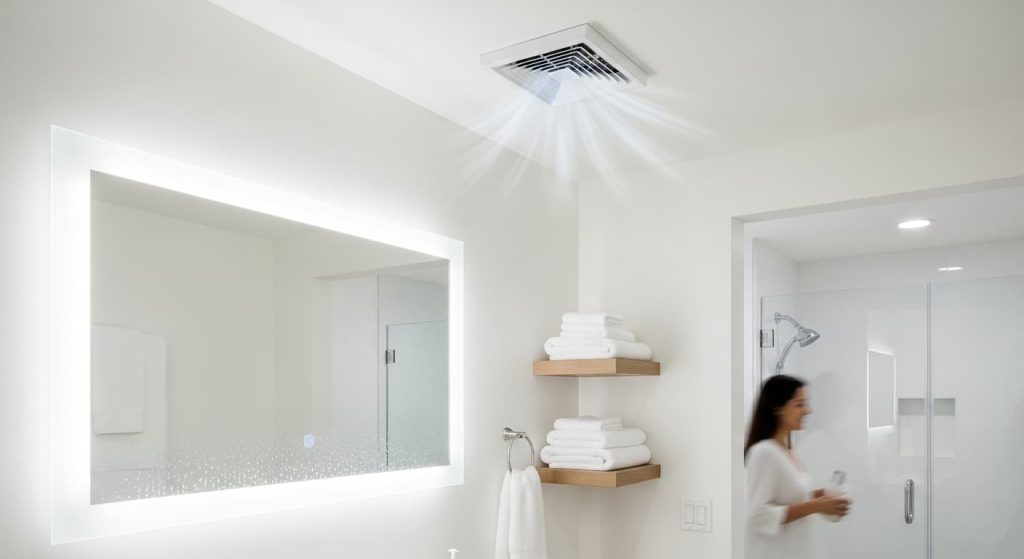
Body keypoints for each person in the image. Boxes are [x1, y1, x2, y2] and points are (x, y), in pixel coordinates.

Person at [745, 374, 850, 559]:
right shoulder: (764, 453)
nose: (808, 411)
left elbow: (787, 499)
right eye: (800, 404)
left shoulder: (786, 450)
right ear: (778, 408)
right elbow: (758, 515)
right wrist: (815, 506)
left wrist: (819, 496)